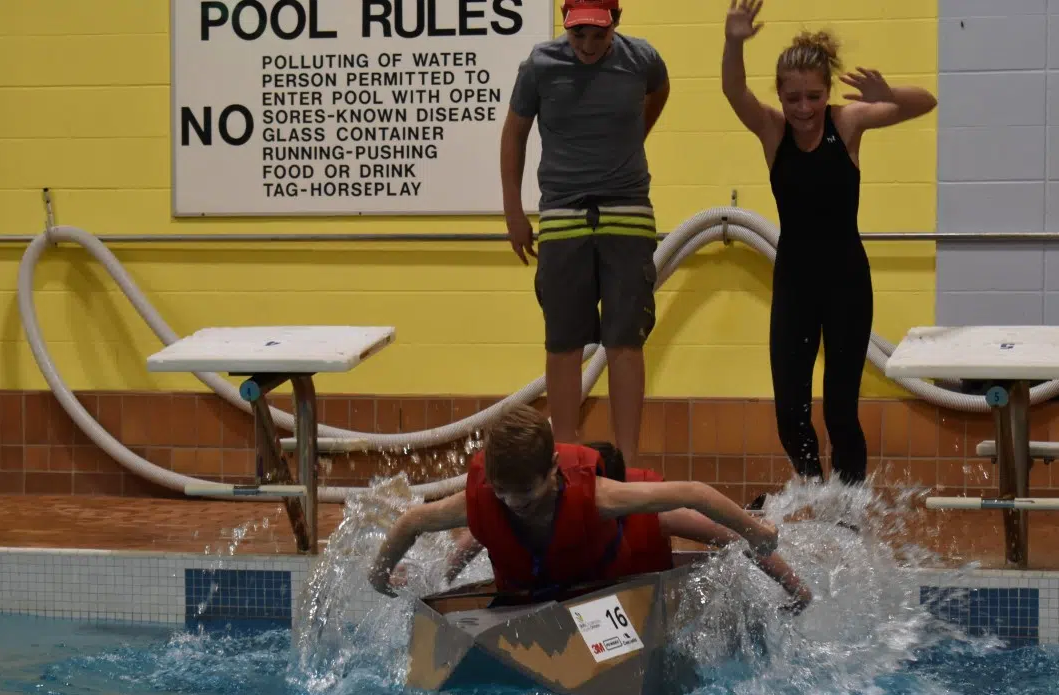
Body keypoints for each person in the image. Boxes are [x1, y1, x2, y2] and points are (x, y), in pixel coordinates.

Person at [721, 0, 937, 494]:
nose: (803, 109)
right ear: (780, 95)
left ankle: (851, 506)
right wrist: (734, 42)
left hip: (846, 282)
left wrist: (891, 94)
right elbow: (734, 91)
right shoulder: (773, 131)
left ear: (827, 92)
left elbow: (925, 101)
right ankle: (815, 495)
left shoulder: (848, 123)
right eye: (793, 98)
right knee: (789, 408)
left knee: (841, 405)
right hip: (795, 282)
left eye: (813, 97)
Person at [368, 406, 812, 614]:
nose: (514, 504)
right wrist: (383, 578)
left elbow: (695, 495)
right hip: (541, 586)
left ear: (554, 472)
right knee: (484, 528)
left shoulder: (609, 501)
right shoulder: (489, 502)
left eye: (526, 493)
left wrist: (758, 535)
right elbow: (411, 523)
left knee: (694, 529)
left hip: (608, 579)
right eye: (503, 492)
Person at [499, 0, 671, 470]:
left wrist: (635, 134)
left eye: (599, 34)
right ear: (565, 22)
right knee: (563, 340)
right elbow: (513, 133)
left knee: (625, 340)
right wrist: (514, 211)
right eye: (579, 35)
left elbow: (659, 92)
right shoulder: (539, 65)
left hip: (628, 211)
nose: (589, 45)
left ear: (617, 20)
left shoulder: (642, 60)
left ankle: (629, 462)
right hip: (563, 216)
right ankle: (567, 456)